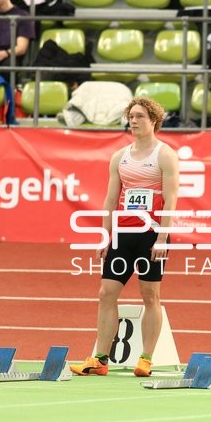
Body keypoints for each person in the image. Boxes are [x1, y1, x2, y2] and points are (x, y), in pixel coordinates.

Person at [70, 97, 179, 378]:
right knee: (106, 293)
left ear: (154, 120)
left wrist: (162, 238)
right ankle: (100, 359)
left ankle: (145, 358)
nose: (133, 121)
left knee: (150, 295)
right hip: (123, 235)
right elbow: (110, 199)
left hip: (151, 234)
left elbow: (170, 200)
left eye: (140, 116)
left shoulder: (165, 155)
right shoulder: (120, 157)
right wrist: (104, 236)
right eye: (131, 116)